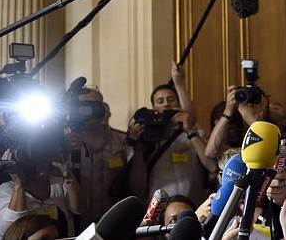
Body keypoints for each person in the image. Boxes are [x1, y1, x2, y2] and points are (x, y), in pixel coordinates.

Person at [64, 88, 146, 229]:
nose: (87, 112)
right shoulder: (64, 142)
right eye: (81, 107)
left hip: (114, 223)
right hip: (75, 224)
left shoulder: (123, 141)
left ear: (103, 108)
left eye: (93, 106)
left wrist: (137, 147)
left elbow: (138, 190)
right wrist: (63, 149)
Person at [137, 62, 217, 206]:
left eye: (171, 99)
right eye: (160, 101)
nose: (166, 104)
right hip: (159, 204)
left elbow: (211, 165)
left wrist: (179, 83)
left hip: (193, 201)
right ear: (154, 107)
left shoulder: (193, 131)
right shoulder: (149, 135)